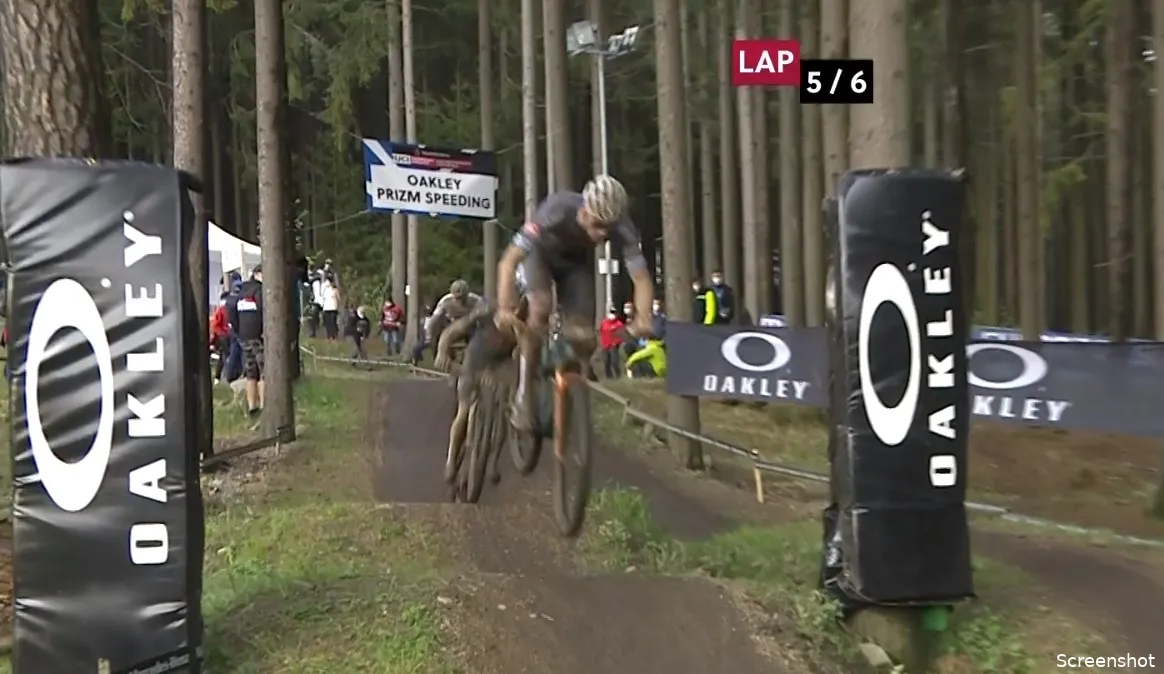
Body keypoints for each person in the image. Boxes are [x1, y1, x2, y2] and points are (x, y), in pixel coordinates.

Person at [491, 175, 655, 430]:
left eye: (608, 229)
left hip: (575, 266)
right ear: (585, 210)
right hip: (539, 257)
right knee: (541, 307)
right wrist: (504, 307)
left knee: (582, 334)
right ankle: (525, 393)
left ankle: (567, 391)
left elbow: (641, 277)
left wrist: (643, 317)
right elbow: (508, 262)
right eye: (598, 225)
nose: (602, 235)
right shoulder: (555, 211)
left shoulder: (623, 227)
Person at [228, 265, 265, 418]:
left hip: (243, 337)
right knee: (264, 372)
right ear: (257, 274)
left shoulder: (241, 291)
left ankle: (251, 407)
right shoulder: (260, 290)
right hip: (258, 336)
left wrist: (238, 331)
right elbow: (265, 311)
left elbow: (232, 311)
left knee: (251, 372)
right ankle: (264, 405)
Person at [419, 279, 484, 365]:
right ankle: (440, 361)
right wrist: (429, 336)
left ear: (467, 294)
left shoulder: (476, 300)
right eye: (457, 298)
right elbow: (434, 319)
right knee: (439, 338)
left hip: (470, 325)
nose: (459, 301)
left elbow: (485, 317)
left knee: (478, 342)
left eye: (462, 298)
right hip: (451, 325)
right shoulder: (445, 300)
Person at [598, 307, 626, 379]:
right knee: (606, 361)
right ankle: (609, 376)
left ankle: (618, 375)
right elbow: (601, 332)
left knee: (614, 361)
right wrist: (601, 342)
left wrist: (617, 343)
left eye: (613, 313)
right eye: (611, 312)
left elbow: (622, 335)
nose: (612, 314)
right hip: (605, 345)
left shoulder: (619, 324)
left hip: (614, 345)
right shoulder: (604, 323)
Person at [210, 291, 232, 382]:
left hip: (224, 335)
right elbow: (215, 325)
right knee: (226, 356)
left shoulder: (222, 309)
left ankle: (219, 377)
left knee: (223, 357)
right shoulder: (223, 309)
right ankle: (224, 376)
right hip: (224, 335)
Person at [320, 273, 341, 340]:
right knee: (327, 323)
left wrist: (338, 306)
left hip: (333, 308)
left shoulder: (335, 290)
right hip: (326, 308)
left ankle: (334, 336)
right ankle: (329, 336)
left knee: (332, 322)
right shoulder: (325, 289)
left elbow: (339, 299)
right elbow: (322, 296)